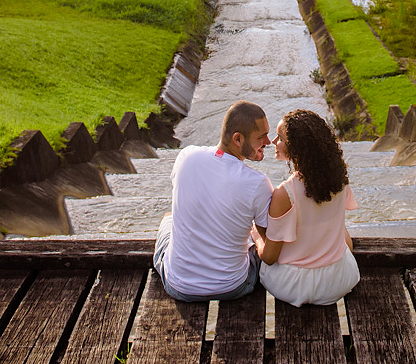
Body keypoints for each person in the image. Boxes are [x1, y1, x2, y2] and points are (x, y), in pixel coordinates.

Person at [153, 99, 273, 301]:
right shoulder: (258, 183)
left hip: (178, 286)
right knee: (254, 242)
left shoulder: (186, 156)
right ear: (238, 139)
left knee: (168, 218)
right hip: (232, 287)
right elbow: (269, 242)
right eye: (262, 137)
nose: (268, 142)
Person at [253, 109, 360, 307]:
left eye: (281, 138)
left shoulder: (284, 194)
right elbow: (346, 241)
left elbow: (268, 257)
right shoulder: (339, 182)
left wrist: (257, 237)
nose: (274, 142)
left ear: (297, 148)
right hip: (338, 281)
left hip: (293, 287)